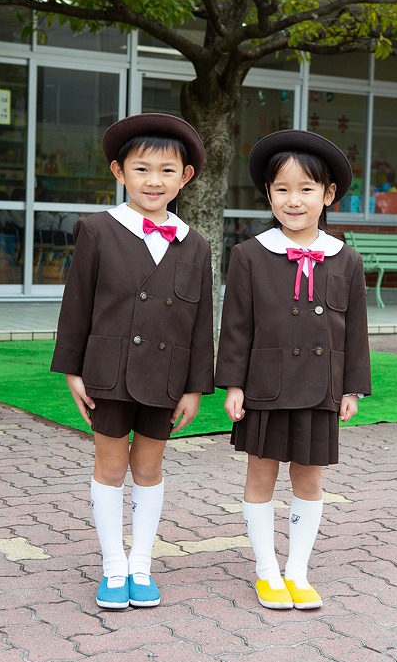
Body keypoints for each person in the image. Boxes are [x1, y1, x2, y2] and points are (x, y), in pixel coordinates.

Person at [51, 113, 214, 610]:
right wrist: (73, 369)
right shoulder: (98, 230)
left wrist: (194, 385)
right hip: (108, 370)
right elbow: (76, 303)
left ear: (184, 177)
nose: (154, 181)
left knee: (149, 467)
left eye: (167, 170)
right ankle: (112, 567)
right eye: (142, 169)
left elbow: (201, 318)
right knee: (110, 466)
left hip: (165, 377)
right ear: (119, 172)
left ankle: (141, 565)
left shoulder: (196, 244)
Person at [215, 129, 371, 611]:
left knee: (309, 479)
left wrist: (352, 389)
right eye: (281, 189)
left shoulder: (345, 259)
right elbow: (237, 325)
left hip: (321, 388)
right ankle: (266, 572)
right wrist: (234, 384)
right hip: (265, 385)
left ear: (327, 195)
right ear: (268, 194)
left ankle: (297, 571)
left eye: (306, 189)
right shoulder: (249, 254)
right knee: (260, 476)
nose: (293, 200)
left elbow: (355, 332)